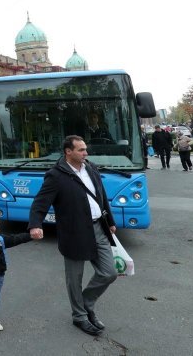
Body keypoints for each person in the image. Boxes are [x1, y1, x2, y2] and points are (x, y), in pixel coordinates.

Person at [27, 135, 117, 337]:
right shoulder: (56, 175)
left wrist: (110, 221)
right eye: (81, 150)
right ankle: (80, 316)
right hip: (74, 232)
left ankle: (85, 303)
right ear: (68, 152)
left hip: (98, 228)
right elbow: (40, 202)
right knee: (74, 278)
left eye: (85, 149)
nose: (86, 153)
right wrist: (35, 224)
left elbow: (101, 197)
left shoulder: (91, 168)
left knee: (109, 272)